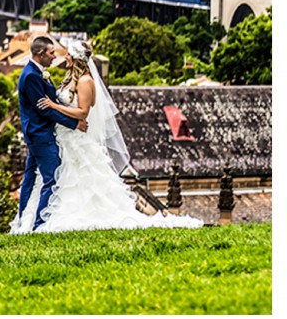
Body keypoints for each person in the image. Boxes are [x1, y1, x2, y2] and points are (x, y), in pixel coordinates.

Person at [11, 40, 203, 233]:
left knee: (63, 178)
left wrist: (58, 109)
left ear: (77, 59)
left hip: (72, 138)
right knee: (42, 179)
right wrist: (65, 116)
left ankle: (39, 225)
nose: (61, 57)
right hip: (56, 136)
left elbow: (82, 112)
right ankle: (30, 221)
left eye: (67, 54)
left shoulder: (85, 81)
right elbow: (47, 106)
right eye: (53, 53)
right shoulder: (52, 76)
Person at [14, 36, 87, 232]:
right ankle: (40, 225)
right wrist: (74, 123)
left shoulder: (38, 72)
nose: (55, 56)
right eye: (51, 52)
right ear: (40, 54)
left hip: (37, 134)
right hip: (40, 135)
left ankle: (24, 220)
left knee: (29, 179)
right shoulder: (30, 76)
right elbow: (44, 109)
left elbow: (51, 101)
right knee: (52, 177)